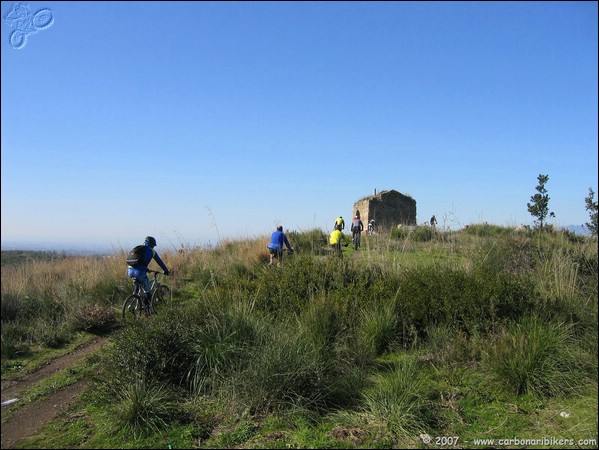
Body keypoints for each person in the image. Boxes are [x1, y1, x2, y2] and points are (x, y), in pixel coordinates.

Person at [127, 236, 170, 307]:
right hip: (139, 272)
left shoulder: (139, 249)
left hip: (130, 271)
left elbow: (138, 263)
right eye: (153, 246)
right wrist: (166, 271)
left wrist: (146, 269)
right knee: (147, 291)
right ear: (152, 244)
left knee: (137, 288)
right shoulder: (151, 251)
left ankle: (132, 303)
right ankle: (146, 310)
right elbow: (160, 262)